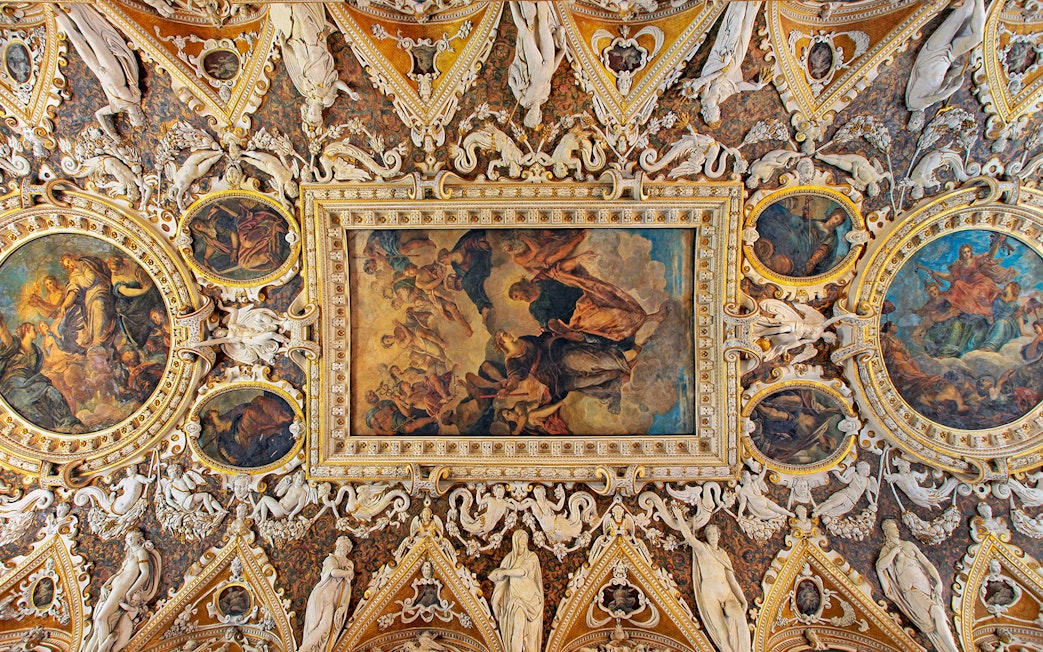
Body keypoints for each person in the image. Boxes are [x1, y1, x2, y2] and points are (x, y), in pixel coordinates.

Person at [494, 329, 632, 414]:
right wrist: (508, 389)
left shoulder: (524, 340)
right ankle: (617, 382)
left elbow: (542, 341)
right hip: (555, 379)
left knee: (592, 361)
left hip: (559, 357)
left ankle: (627, 366)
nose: (508, 333)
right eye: (504, 334)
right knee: (595, 379)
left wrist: (564, 336)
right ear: (501, 343)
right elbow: (514, 378)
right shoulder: (511, 361)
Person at [876, 519, 959, 652]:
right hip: (911, 591)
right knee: (936, 614)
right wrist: (894, 551)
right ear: (887, 532)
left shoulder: (908, 545)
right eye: (893, 528)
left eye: (896, 528)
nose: (896, 531)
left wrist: (938, 582)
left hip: (925, 587)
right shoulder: (887, 550)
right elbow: (880, 567)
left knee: (938, 614)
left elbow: (927, 564)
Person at [672, 514, 751, 652]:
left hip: (727, 593)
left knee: (741, 620)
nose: (712, 536)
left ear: (719, 535)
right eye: (709, 534)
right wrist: (679, 516)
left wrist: (743, 600)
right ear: (706, 537)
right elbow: (689, 538)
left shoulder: (723, 554)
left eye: (714, 533)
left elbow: (732, 581)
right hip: (710, 593)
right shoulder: (703, 549)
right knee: (722, 631)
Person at [0, 316, 83, 433]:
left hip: (33, 380)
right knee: (24, 401)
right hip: (15, 380)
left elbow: (48, 363)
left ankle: (69, 423)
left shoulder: (37, 352)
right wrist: (1, 321)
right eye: (34, 329)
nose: (37, 332)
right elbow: (4, 334)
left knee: (52, 392)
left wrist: (67, 359)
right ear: (27, 330)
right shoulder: (15, 344)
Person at [83, 531, 161, 652]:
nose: (128, 539)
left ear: (138, 539)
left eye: (131, 537)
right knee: (98, 624)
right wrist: (105, 585)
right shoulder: (130, 554)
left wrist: (130, 591)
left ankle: (104, 648)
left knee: (101, 618)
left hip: (122, 588)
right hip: (115, 586)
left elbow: (144, 574)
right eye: (127, 538)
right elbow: (119, 573)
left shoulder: (141, 552)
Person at [490, 530, 544, 652]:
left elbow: (522, 571)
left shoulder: (532, 557)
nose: (524, 541)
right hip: (516, 600)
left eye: (525, 538)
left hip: (531, 600)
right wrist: (495, 603)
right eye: (521, 538)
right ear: (515, 541)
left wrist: (504, 572)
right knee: (518, 627)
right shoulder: (509, 560)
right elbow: (501, 584)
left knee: (531, 639)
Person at [54, 253, 119, 352]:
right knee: (94, 309)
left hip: (102, 290)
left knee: (99, 304)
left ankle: (99, 339)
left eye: (69, 262)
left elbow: (91, 279)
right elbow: (73, 291)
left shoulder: (89, 263)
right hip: (89, 298)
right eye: (67, 266)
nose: (70, 265)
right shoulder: (74, 276)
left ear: (72, 257)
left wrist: (79, 279)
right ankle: (97, 339)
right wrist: (64, 306)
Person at [299, 536, 354, 652]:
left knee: (326, 626)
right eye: (341, 546)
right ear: (337, 546)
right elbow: (334, 572)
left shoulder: (347, 565)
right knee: (314, 626)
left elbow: (346, 589)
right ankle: (304, 649)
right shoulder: (331, 559)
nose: (342, 549)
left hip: (331, 601)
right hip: (320, 596)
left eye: (346, 548)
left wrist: (343, 606)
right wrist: (348, 572)